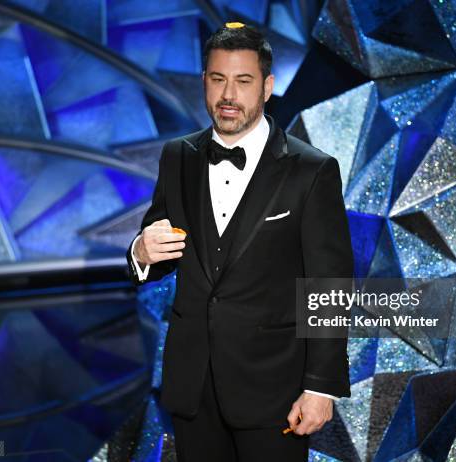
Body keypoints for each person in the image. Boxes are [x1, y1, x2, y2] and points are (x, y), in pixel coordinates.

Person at [126, 22, 353, 462]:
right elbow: (160, 245)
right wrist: (139, 251)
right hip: (193, 388)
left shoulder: (312, 170)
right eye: (218, 79)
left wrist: (320, 387)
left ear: (267, 87)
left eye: (243, 81)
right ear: (205, 83)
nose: (228, 94)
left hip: (275, 393)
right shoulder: (178, 156)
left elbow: (328, 285)